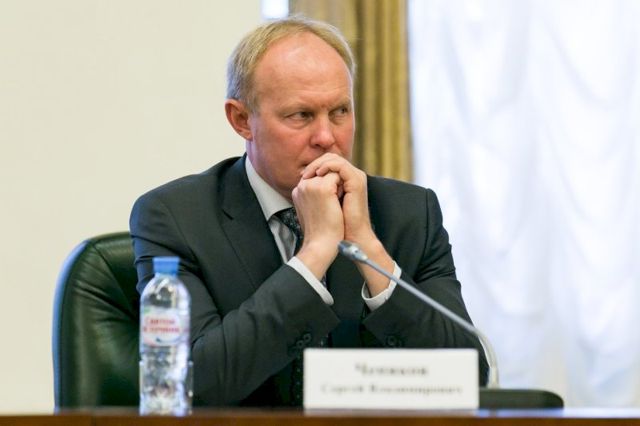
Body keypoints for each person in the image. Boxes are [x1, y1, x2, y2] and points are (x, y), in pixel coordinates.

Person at [130, 16, 488, 407]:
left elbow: (471, 377)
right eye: (300, 115)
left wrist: (367, 246)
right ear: (241, 120)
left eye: (340, 111)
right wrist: (315, 252)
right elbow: (192, 384)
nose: (326, 137)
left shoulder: (410, 214)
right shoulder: (176, 218)